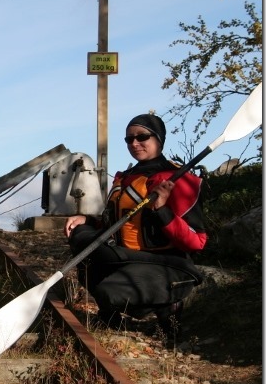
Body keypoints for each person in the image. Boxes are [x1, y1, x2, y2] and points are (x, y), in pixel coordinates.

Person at [64, 113, 206, 339]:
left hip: (168, 265)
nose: (135, 144)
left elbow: (196, 241)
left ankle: (167, 307)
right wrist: (88, 220)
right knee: (83, 241)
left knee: (109, 290)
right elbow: (115, 221)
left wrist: (162, 209)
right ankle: (112, 315)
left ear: (159, 139)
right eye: (129, 139)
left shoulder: (179, 179)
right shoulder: (127, 177)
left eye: (142, 137)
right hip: (126, 257)